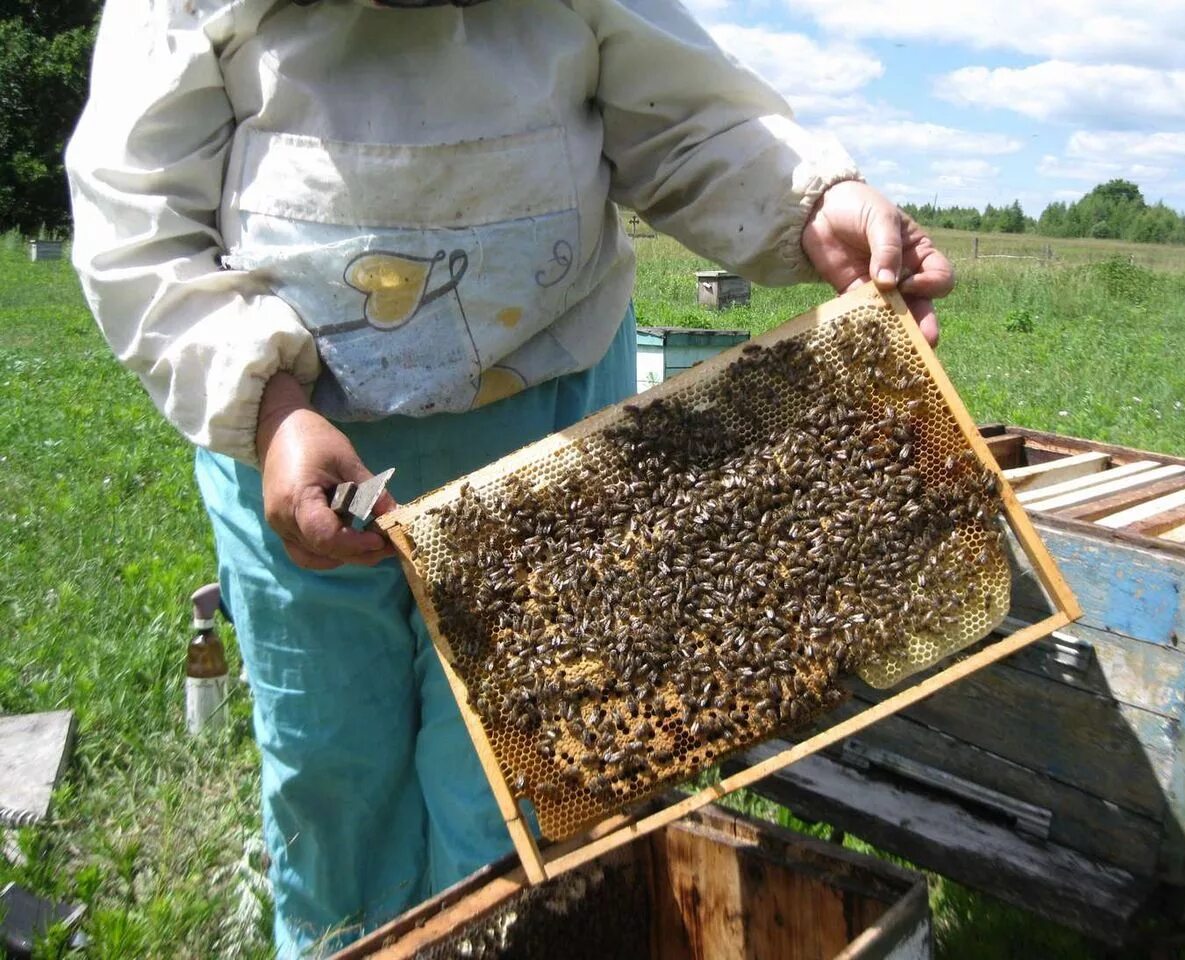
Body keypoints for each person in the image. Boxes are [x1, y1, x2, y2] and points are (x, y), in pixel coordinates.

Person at [66, 0, 954, 954]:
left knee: (522, 782)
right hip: (289, 445)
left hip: (549, 425)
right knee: (330, 766)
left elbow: (684, 113)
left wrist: (809, 201)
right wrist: (272, 411)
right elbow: (138, 215)